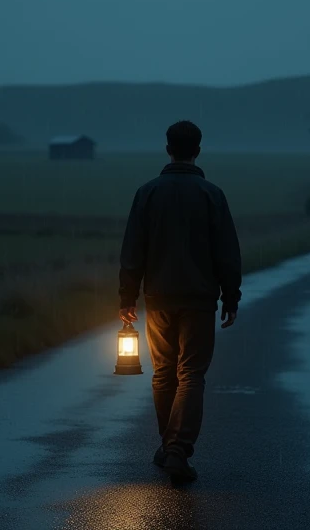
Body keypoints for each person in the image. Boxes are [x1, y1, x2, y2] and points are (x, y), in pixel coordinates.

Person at [118, 120, 242, 482]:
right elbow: (227, 254)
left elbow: (132, 251)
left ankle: (169, 445)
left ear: (167, 148)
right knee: (191, 375)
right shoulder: (212, 194)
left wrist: (127, 296)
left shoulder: (147, 193)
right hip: (200, 301)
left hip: (158, 300)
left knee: (163, 373)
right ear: (198, 150)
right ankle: (177, 449)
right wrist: (230, 297)